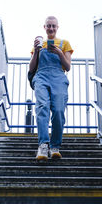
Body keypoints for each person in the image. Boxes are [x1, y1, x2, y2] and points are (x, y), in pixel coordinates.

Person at [29, 16, 73, 161]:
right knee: (42, 107)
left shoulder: (64, 43)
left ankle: (55, 146)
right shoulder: (39, 45)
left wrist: (59, 52)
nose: (51, 28)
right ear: (44, 27)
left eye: (54, 26)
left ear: (57, 27)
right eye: (49, 26)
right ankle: (43, 145)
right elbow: (32, 67)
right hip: (41, 77)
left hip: (58, 78)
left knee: (59, 111)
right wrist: (36, 51)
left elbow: (67, 67)